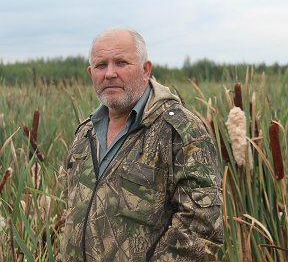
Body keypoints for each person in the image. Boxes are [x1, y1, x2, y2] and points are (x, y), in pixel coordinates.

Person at [60, 27, 223, 262]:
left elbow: (203, 226)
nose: (110, 73)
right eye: (101, 65)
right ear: (90, 73)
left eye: (121, 62)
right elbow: (71, 213)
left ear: (145, 69)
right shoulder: (85, 134)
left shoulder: (179, 130)